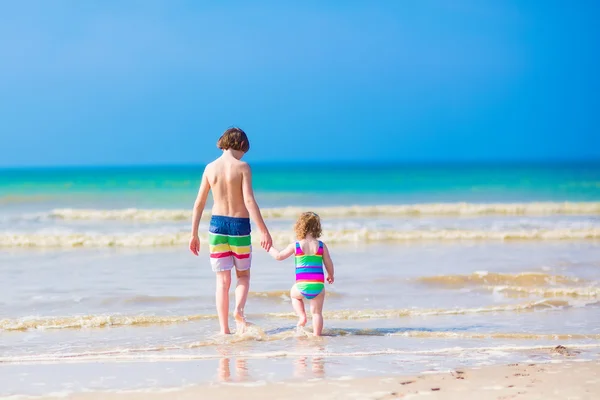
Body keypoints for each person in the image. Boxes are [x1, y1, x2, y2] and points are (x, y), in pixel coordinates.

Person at [189, 127, 272, 334]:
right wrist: (264, 230)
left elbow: (199, 203)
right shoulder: (243, 167)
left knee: (222, 280)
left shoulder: (210, 168)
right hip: (239, 225)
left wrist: (194, 233)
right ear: (241, 145)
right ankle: (239, 311)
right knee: (243, 276)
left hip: (216, 226)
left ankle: (224, 330)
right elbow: (249, 201)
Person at [268, 212, 334, 336]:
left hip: (301, 285)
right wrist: (330, 275)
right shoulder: (321, 245)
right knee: (317, 313)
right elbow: (328, 262)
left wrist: (269, 247)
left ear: (300, 226)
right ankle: (317, 335)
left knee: (294, 296)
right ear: (317, 227)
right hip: (318, 286)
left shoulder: (296, 245)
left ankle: (302, 316)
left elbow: (279, 256)